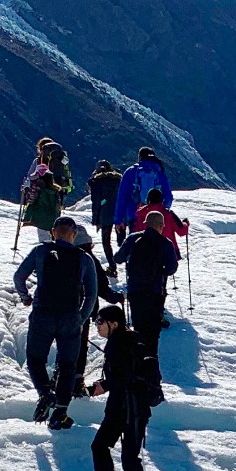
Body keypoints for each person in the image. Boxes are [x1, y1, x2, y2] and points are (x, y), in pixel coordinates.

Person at [12, 216, 99, 429]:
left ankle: (44, 393)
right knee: (68, 365)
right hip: (70, 317)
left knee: (35, 359)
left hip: (43, 314)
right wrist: (82, 317)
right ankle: (60, 411)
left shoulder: (40, 252)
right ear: (74, 234)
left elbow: (19, 277)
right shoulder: (84, 258)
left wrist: (25, 298)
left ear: (52, 232)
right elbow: (92, 294)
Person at [83, 305, 159, 471]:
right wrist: (106, 385)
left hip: (129, 409)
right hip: (126, 408)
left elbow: (124, 377)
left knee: (124, 456)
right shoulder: (127, 341)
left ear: (113, 324)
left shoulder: (121, 344)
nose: (97, 326)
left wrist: (103, 386)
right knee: (109, 449)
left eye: (100, 322)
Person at [113, 209, 180, 359]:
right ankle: (151, 364)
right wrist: (160, 271)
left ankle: (138, 363)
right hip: (154, 292)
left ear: (146, 224)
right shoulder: (165, 243)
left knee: (138, 328)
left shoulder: (133, 239)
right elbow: (171, 268)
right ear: (161, 226)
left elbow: (117, 258)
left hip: (135, 291)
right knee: (152, 331)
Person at [114, 146, 173, 229]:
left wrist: (119, 219)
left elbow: (122, 197)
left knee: (137, 240)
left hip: (135, 216)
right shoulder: (159, 172)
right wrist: (163, 211)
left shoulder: (130, 172)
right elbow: (168, 196)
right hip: (156, 217)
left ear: (139, 157)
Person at [88, 159, 123, 264]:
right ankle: (125, 261)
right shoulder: (119, 180)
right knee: (122, 241)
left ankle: (112, 266)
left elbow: (97, 203)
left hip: (105, 214)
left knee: (106, 242)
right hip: (120, 213)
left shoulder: (96, 182)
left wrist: (96, 221)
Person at [20, 168, 64, 244]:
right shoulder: (55, 190)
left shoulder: (37, 188)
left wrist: (26, 219)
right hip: (54, 220)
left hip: (41, 219)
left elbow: (31, 204)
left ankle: (46, 254)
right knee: (52, 240)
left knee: (44, 241)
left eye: (37, 175)